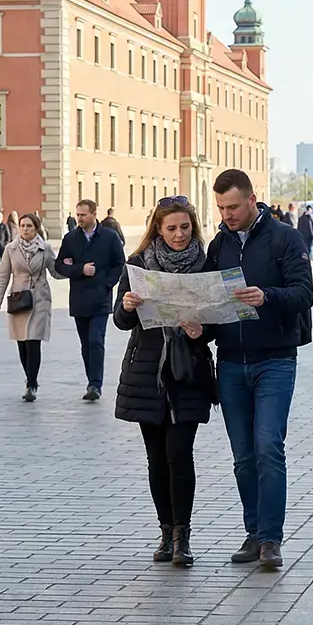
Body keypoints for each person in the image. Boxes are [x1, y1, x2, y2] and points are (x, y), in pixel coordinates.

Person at [206, 169, 313, 572]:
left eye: (232, 207)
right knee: (243, 456)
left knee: (268, 445)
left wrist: (266, 297)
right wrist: (200, 324)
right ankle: (253, 532)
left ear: (253, 200)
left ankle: (271, 539)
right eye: (220, 208)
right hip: (231, 360)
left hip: (275, 359)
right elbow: (210, 298)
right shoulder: (219, 245)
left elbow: (305, 294)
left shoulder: (286, 238)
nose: (226, 214)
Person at [114, 197, 217, 568]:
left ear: (193, 227)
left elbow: (217, 322)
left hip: (187, 372)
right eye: (171, 228)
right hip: (147, 372)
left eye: (185, 227)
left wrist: (201, 330)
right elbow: (121, 321)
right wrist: (126, 305)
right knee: (156, 459)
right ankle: (164, 531)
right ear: (158, 228)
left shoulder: (206, 265)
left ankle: (182, 536)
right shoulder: (139, 264)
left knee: (179, 455)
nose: (179, 234)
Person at [55, 199, 125, 401]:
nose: (79, 218)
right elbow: (60, 265)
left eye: (83, 215)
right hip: (79, 298)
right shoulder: (70, 238)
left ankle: (96, 384)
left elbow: (119, 264)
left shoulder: (110, 237)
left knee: (96, 341)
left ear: (94, 214)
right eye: (77, 215)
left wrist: (106, 283)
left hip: (101, 298)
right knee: (86, 344)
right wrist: (79, 269)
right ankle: (91, 381)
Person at [0, 213, 59, 401]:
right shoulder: (11, 249)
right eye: (22, 226)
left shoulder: (45, 248)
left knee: (33, 341)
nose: (25, 229)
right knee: (22, 342)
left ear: (36, 228)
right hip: (19, 299)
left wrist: (71, 267)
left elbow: (55, 271)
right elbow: (3, 276)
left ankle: (31, 383)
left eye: (29, 226)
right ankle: (29, 379)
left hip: (39, 299)